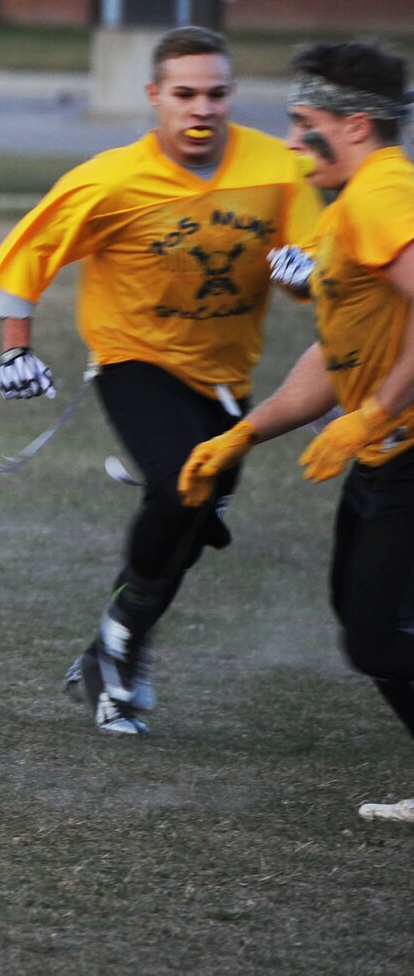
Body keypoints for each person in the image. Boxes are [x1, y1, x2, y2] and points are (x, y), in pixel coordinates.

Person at [0, 27, 321, 736]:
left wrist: (309, 276)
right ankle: (120, 652)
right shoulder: (111, 178)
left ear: (234, 94)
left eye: (217, 92)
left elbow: (318, 259)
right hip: (134, 359)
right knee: (181, 485)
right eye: (185, 93)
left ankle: (115, 637)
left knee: (194, 516)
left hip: (226, 379)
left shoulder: (279, 168)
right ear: (154, 97)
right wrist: (16, 348)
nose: (202, 108)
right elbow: (25, 256)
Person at [179, 42, 414, 814]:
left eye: (302, 123)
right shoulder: (352, 203)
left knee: (377, 634)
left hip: (404, 447)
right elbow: (332, 350)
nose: (287, 141)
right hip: (382, 451)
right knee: (363, 617)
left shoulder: (384, 191)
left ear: (354, 126)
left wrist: (377, 410)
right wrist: (244, 433)